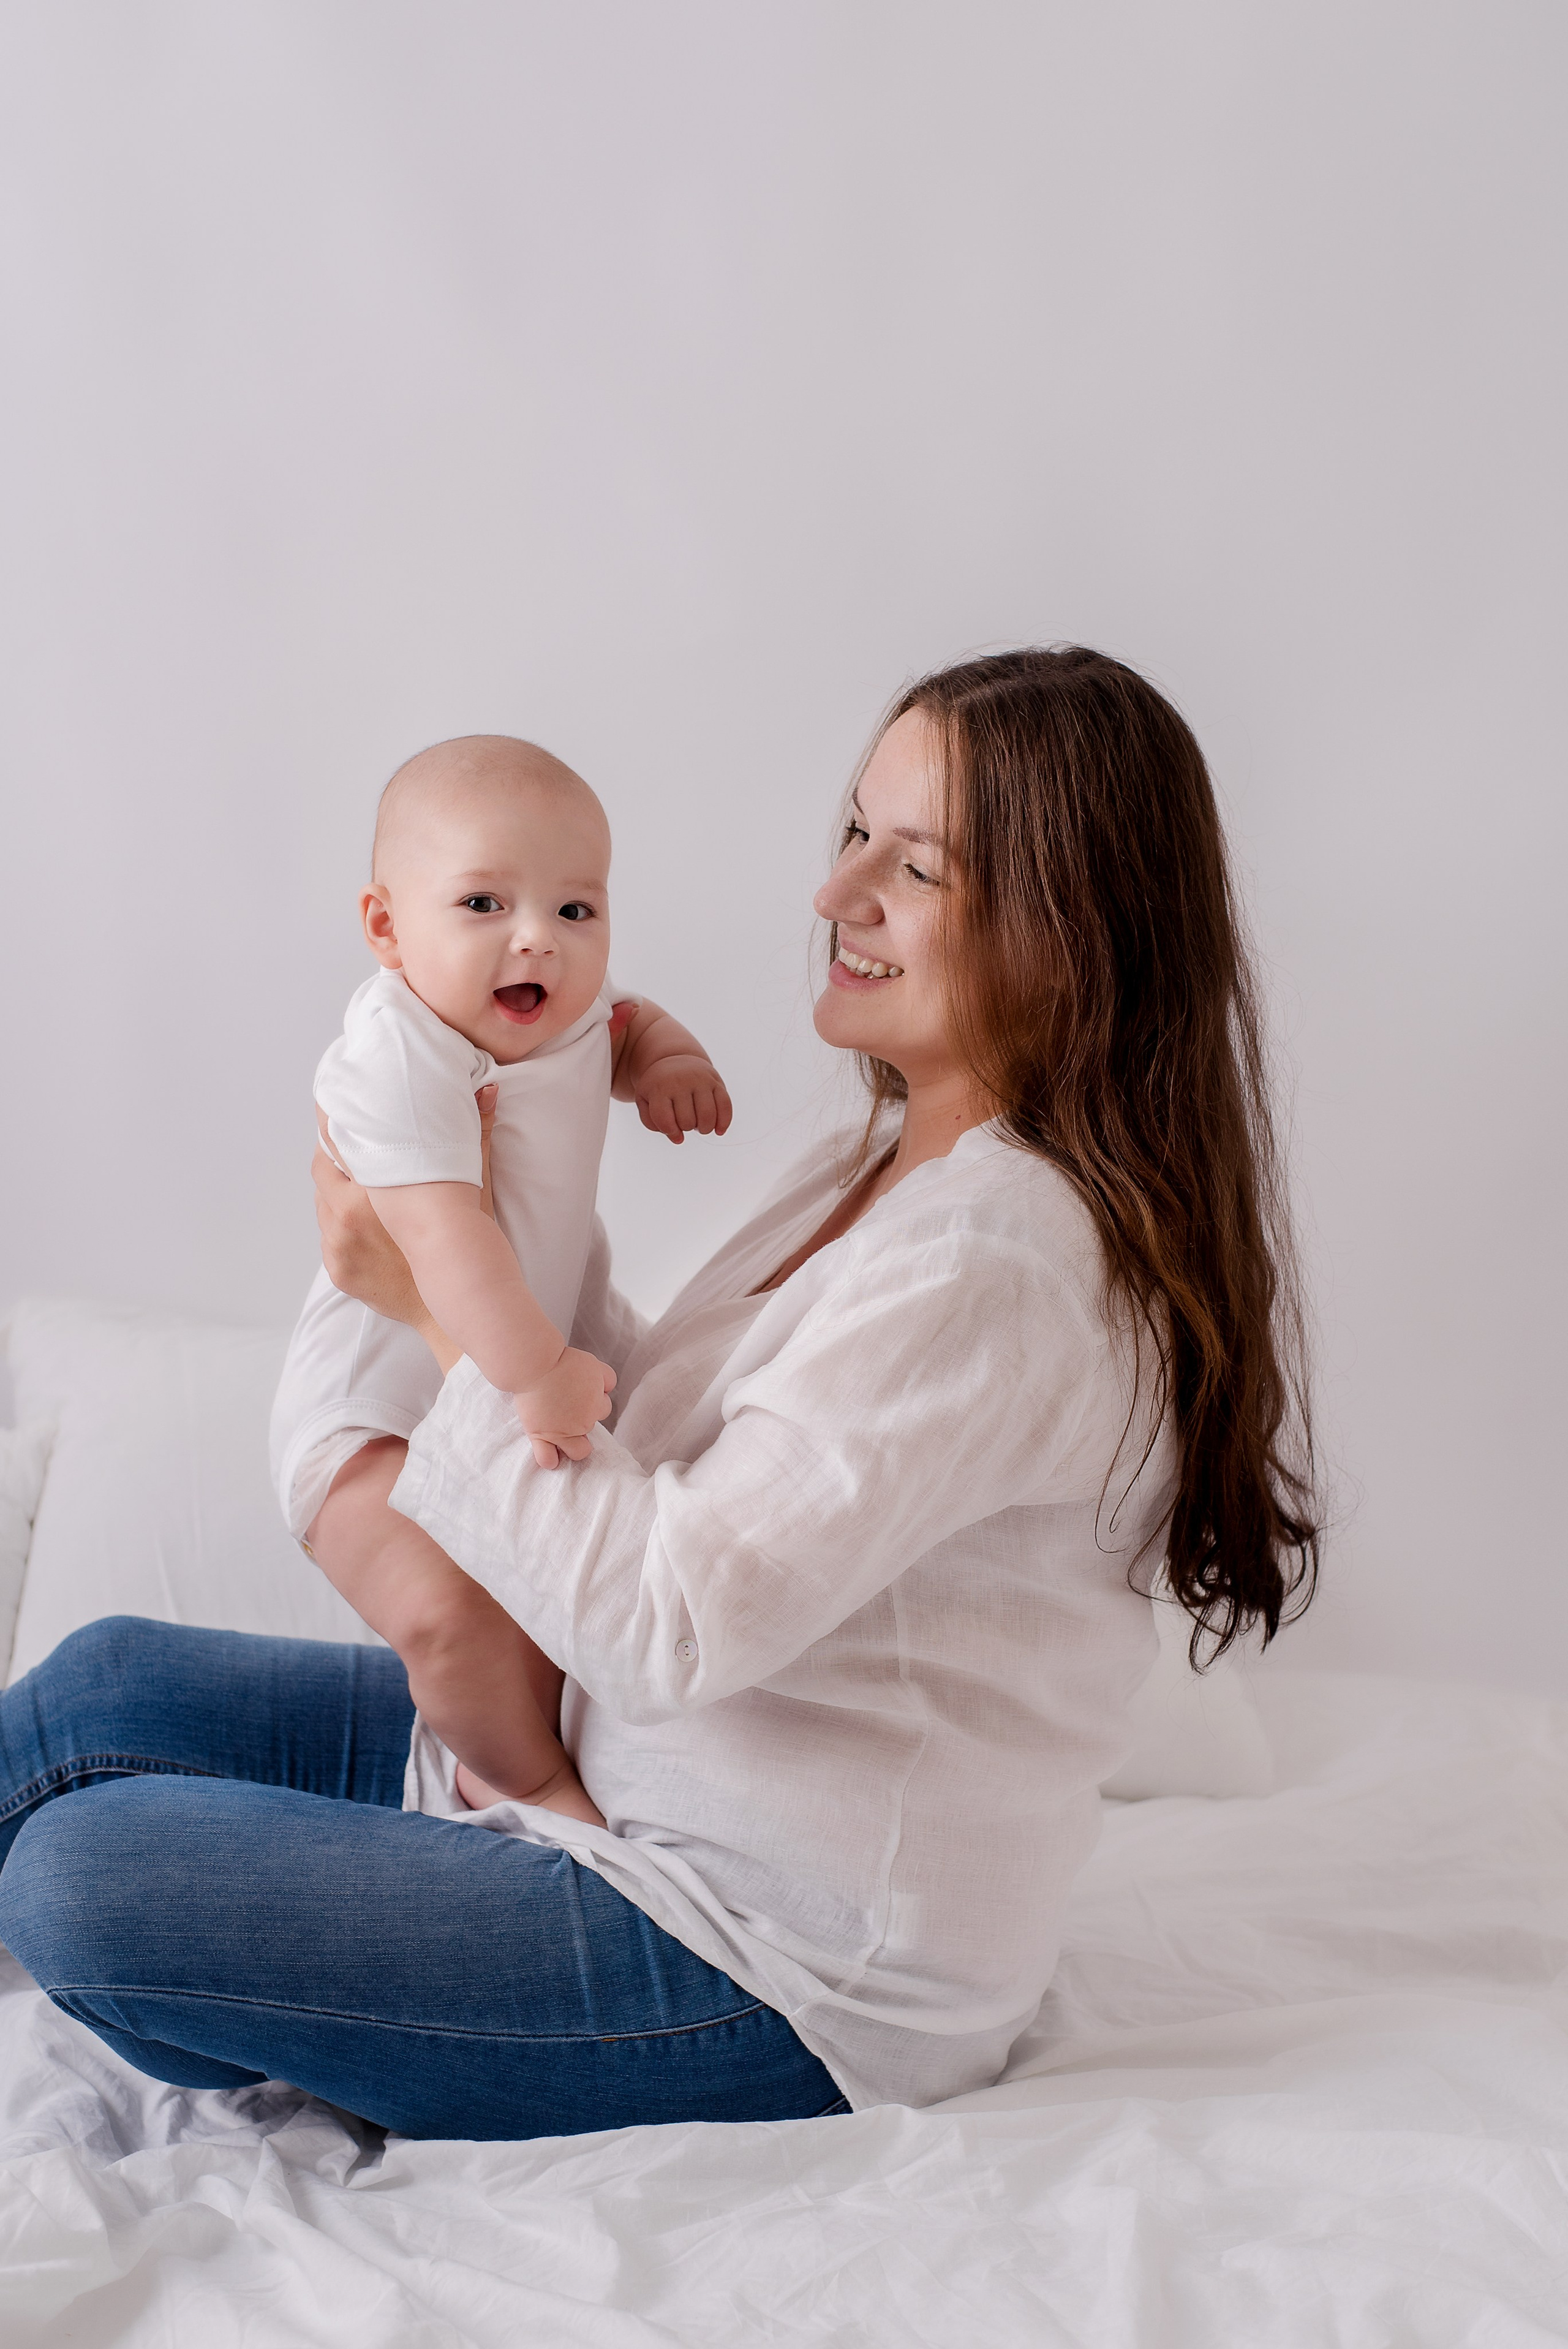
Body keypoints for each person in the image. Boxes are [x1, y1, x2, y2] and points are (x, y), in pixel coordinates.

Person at [0, 647, 1319, 2141]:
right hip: (607, 1775)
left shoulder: (996, 1261)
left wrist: (434, 1306)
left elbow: (672, 1617)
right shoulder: (888, 1171)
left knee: (86, 1878)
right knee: (102, 1686)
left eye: (920, 868)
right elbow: (663, 1434)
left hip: (756, 1957)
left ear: (1073, 931)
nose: (837, 894)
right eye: (853, 835)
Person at [270, 733, 730, 1826]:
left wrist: (666, 1061)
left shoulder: (560, 1003)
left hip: (482, 1384)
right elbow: (442, 1239)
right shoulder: (403, 1052)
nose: (540, 938)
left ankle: (477, 1752)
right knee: (446, 1614)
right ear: (386, 926)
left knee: (540, 1607)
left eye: (577, 909)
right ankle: (516, 1781)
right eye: (483, 903)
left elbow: (622, 1024)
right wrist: (533, 1374)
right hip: (371, 1415)